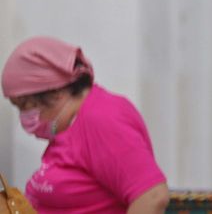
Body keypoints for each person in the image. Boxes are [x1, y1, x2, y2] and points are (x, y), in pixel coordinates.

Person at [2, 37, 169, 214]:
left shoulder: (101, 118)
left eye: (25, 106)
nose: (24, 117)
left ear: (56, 92)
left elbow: (153, 196)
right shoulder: (70, 126)